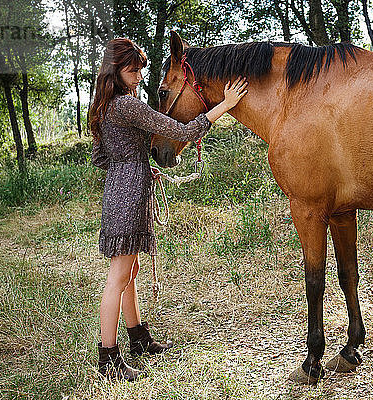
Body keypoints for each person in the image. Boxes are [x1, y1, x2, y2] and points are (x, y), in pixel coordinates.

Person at [89, 38, 248, 381]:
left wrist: (132, 165)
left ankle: (138, 339)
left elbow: (100, 158)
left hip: (118, 191)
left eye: (140, 70)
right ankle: (108, 359)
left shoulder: (103, 107)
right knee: (118, 278)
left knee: (128, 274)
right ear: (117, 70)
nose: (138, 77)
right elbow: (184, 130)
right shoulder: (128, 106)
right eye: (133, 71)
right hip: (131, 194)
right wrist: (224, 103)